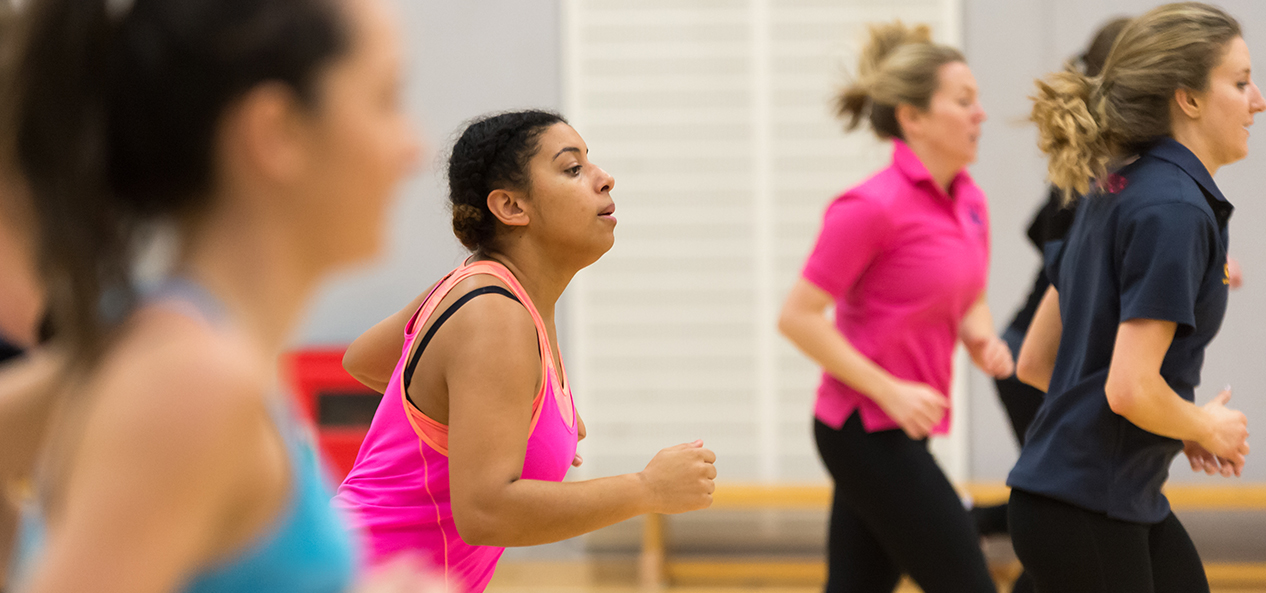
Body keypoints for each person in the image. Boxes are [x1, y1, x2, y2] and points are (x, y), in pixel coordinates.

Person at [0, 0, 429, 591]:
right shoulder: (193, 380)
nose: (413, 150)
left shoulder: (158, 340)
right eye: (386, 100)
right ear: (276, 132)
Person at [333, 110, 718, 593]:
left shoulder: (495, 291)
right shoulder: (492, 312)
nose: (605, 179)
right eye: (572, 169)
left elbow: (367, 360)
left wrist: (499, 415)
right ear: (511, 207)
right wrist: (648, 489)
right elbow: (487, 512)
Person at [1009, 3, 1261, 591]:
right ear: (1189, 99)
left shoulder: (1116, 184)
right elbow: (1128, 387)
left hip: (1089, 499)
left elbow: (1037, 361)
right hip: (1086, 507)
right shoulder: (1173, 209)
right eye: (1242, 82)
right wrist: (1202, 424)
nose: (1259, 101)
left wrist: (1170, 424)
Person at [778, 21, 1009, 593]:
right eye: (963, 101)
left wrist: (980, 335)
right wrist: (890, 390)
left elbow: (970, 290)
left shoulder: (971, 200)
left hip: (905, 425)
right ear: (913, 119)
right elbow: (798, 317)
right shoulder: (869, 208)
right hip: (861, 427)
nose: (980, 113)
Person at [972, 17, 1133, 544]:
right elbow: (1052, 238)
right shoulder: (1098, 169)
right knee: (1068, 513)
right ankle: (961, 523)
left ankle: (965, 522)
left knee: (1066, 508)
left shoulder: (1112, 168)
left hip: (1035, 357)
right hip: (1030, 361)